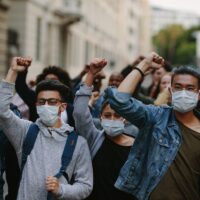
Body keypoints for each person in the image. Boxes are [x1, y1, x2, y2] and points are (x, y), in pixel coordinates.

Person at [105, 52, 200, 200]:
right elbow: (119, 101)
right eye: (178, 87)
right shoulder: (156, 117)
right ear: (170, 91)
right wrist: (143, 66)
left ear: (198, 94)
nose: (183, 93)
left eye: (190, 88)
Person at [0, 57, 93, 200]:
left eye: (52, 102)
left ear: (62, 107)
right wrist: (12, 71)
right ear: (36, 105)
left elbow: (85, 185)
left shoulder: (78, 143)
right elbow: (2, 111)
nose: (46, 106)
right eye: (42, 102)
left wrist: (61, 189)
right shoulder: (25, 132)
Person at [73, 58, 138, 200]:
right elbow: (79, 112)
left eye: (117, 115)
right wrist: (90, 74)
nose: (112, 119)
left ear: (125, 119)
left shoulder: (137, 146)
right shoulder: (94, 138)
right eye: (107, 115)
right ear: (100, 118)